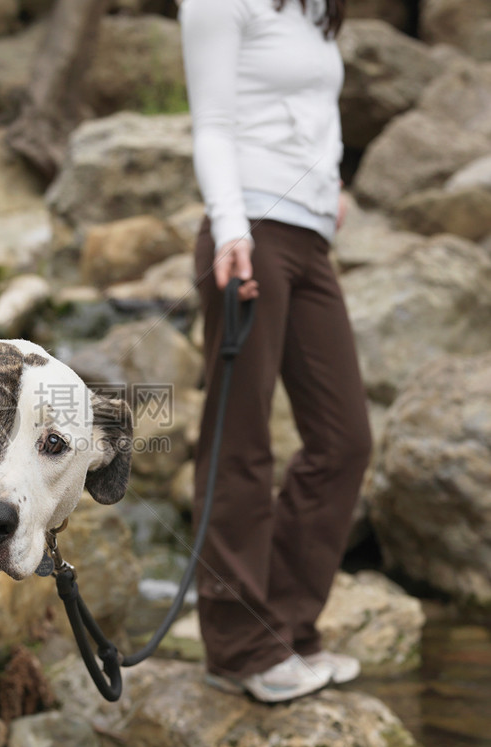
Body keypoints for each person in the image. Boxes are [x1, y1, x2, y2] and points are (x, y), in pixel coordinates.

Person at [179, 0, 372, 702]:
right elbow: (215, 126)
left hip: (308, 237)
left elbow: (308, 108)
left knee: (345, 438)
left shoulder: (312, 7)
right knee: (242, 444)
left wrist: (331, 185)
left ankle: (286, 625)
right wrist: (231, 228)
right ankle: (237, 646)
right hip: (249, 232)